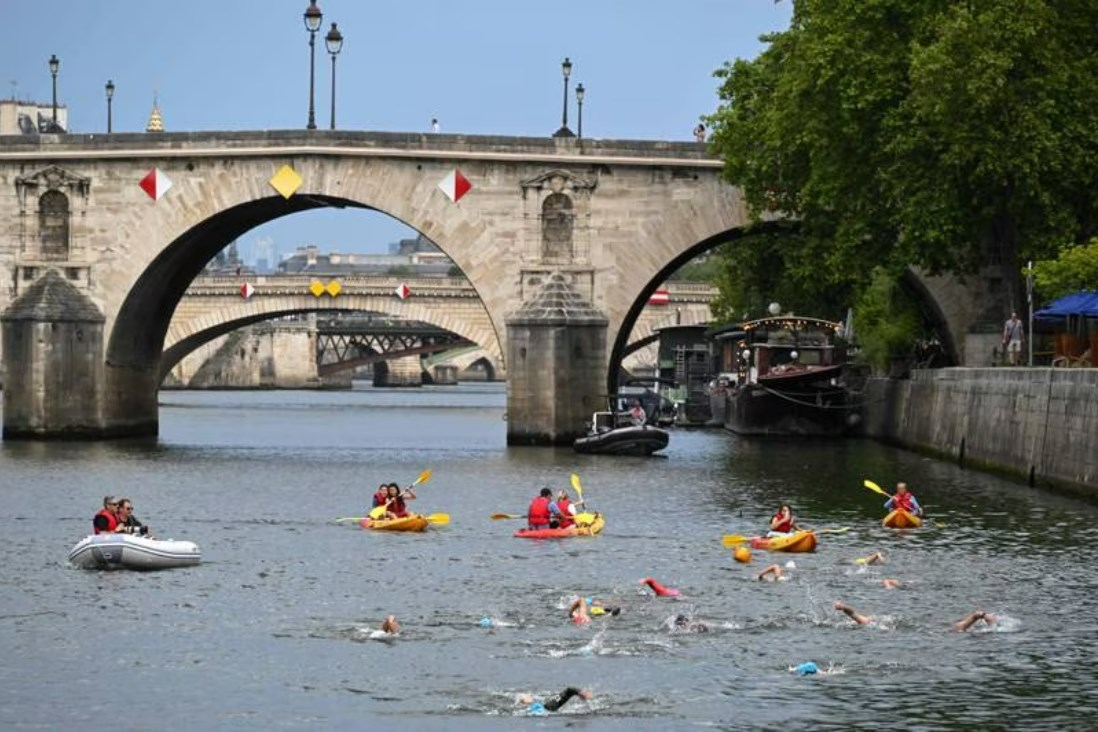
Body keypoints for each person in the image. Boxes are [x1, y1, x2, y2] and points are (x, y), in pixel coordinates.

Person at [518, 687, 593, 715]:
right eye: (528, 697)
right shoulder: (522, 710)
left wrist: (581, 693)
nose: (529, 697)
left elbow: (569, 690)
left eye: (529, 696)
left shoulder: (547, 706)